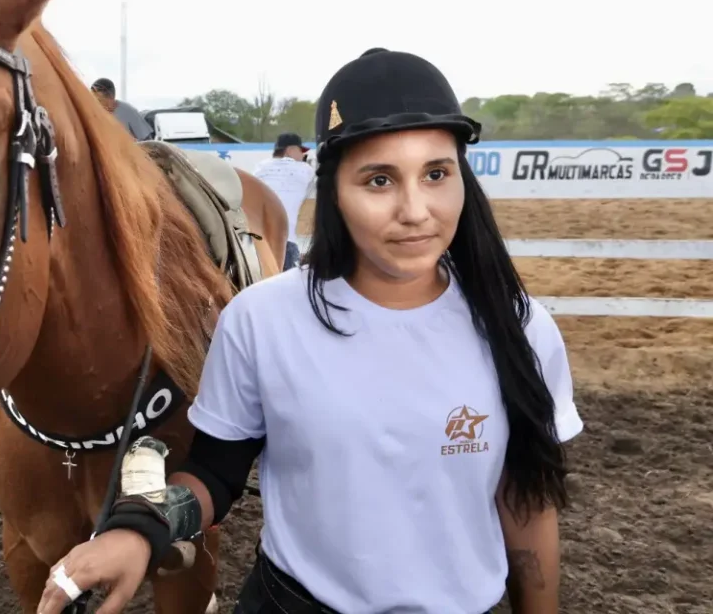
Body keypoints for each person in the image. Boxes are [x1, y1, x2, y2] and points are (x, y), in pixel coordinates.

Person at [36, 48, 583, 614]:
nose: (416, 209)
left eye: (436, 174)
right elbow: (215, 474)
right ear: (335, 191)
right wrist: (142, 528)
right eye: (379, 180)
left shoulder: (521, 329)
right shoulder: (261, 321)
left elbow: (526, 505)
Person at [252, 132, 316, 270]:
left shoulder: (259, 168)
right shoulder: (305, 169)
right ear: (290, 150)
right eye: (301, 152)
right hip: (286, 242)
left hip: (259, 243)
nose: (302, 156)